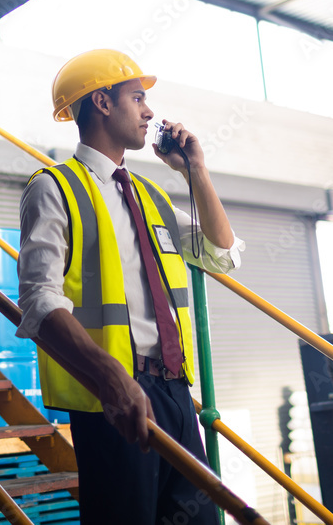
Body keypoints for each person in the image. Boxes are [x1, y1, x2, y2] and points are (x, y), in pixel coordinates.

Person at [16, 49, 244, 525]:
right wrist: (111, 380)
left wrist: (194, 171)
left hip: (176, 393)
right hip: (113, 397)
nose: (149, 112)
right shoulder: (54, 188)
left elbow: (221, 255)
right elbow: (39, 301)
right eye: (137, 98)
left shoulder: (151, 196)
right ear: (101, 102)